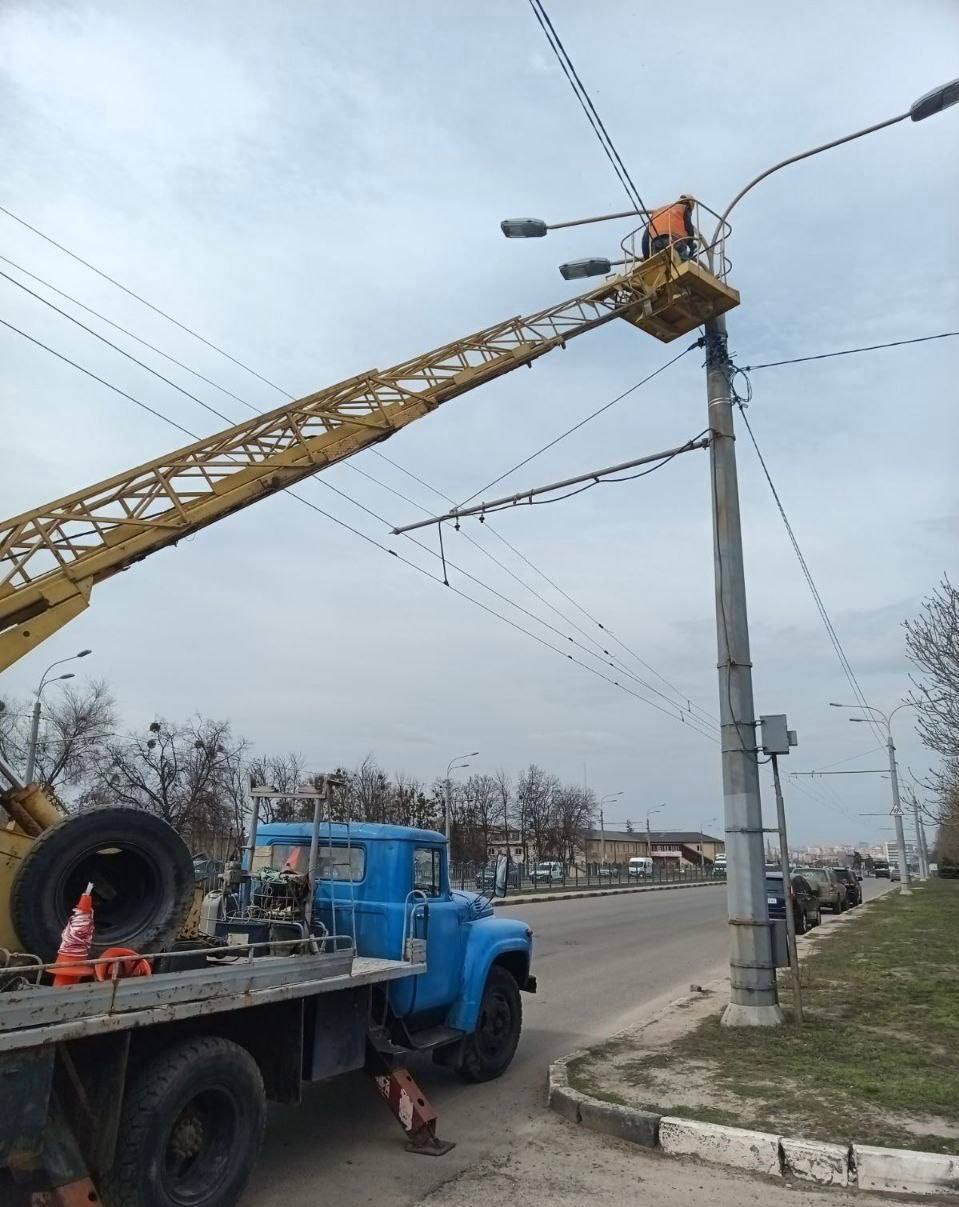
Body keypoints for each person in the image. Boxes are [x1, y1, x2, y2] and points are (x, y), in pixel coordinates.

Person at [641, 194, 696, 261]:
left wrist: (647, 257)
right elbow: (689, 229)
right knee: (683, 263)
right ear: (689, 206)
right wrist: (691, 245)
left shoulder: (656, 212)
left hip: (656, 243)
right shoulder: (684, 209)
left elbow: (645, 239)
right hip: (675, 242)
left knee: (660, 266)